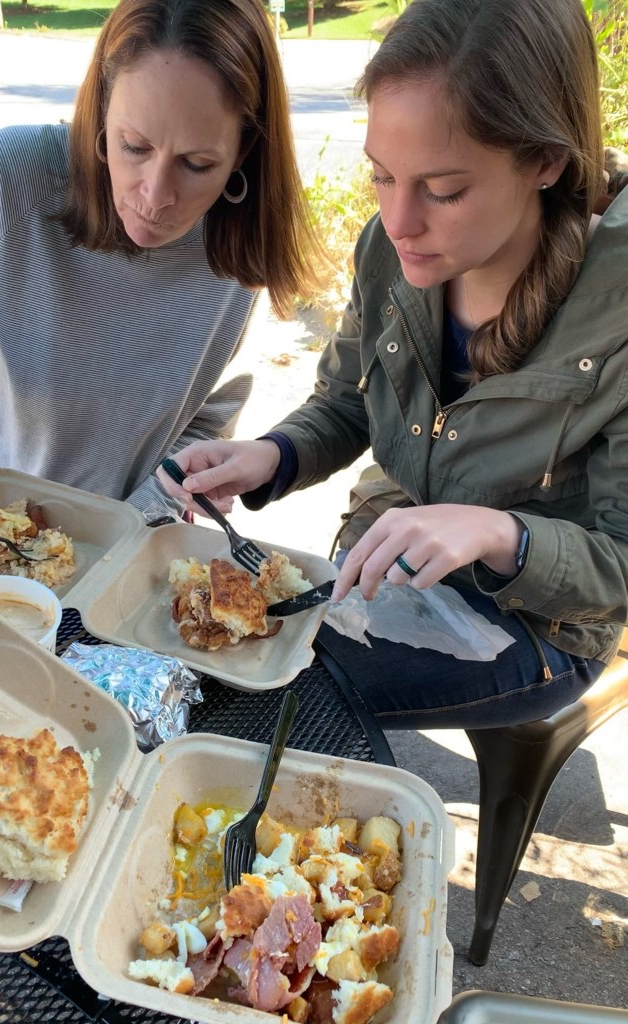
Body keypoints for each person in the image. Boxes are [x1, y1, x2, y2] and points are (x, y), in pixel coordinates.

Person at [158, 0, 628, 729]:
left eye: (444, 190)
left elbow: (619, 565)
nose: (400, 223)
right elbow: (348, 400)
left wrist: (500, 534)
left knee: (253, 697)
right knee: (201, 636)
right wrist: (271, 455)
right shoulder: (386, 250)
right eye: (381, 176)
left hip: (539, 620)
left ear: (545, 160)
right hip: (386, 551)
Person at [0, 0, 317, 560]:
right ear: (100, 111)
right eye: (134, 146)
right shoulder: (11, 176)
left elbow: (207, 418)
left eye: (197, 164)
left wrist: (124, 533)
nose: (156, 196)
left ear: (244, 150)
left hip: (126, 553)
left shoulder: (240, 241)